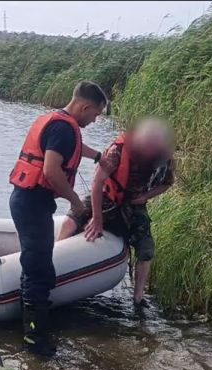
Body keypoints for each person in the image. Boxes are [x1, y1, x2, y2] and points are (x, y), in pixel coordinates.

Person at [9, 81, 108, 357]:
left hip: (29, 201)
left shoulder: (60, 123)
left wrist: (98, 156)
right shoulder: (63, 128)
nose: (95, 119)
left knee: (36, 265)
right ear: (85, 106)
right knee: (38, 271)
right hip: (32, 203)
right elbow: (52, 172)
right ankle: (34, 340)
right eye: (95, 114)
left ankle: (29, 328)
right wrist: (76, 201)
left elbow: (73, 147)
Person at [58, 117, 175, 307]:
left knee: (146, 250)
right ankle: (56, 254)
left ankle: (138, 298)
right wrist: (97, 220)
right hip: (106, 196)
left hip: (133, 204)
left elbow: (168, 183)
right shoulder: (118, 150)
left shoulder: (164, 158)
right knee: (73, 218)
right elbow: (97, 183)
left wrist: (146, 196)